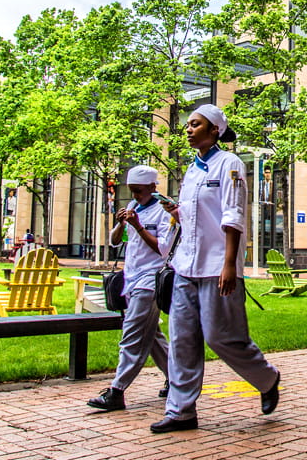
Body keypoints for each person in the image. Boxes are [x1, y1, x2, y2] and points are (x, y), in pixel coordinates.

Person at [150, 104, 280, 434]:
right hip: (186, 267)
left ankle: (266, 378)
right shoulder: (192, 170)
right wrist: (178, 213)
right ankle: (180, 411)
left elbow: (232, 216)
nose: (189, 129)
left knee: (222, 337)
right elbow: (196, 217)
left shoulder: (230, 165)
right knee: (181, 340)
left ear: (215, 130)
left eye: (196, 124)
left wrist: (229, 265)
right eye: (188, 125)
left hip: (216, 267)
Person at [88, 165, 172, 411]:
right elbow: (115, 242)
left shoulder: (164, 212)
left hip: (150, 281)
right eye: (132, 191)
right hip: (132, 277)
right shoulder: (134, 208)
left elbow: (162, 248)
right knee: (153, 337)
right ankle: (177, 379)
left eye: (139, 191)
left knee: (132, 334)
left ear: (152, 187)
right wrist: (121, 224)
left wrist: (137, 226)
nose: (135, 196)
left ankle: (117, 390)